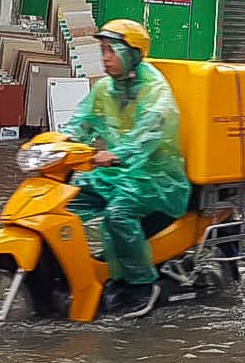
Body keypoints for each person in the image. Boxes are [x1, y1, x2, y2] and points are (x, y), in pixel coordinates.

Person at [62, 19, 192, 318]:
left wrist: (114, 154)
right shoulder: (106, 88)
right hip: (117, 174)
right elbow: (81, 121)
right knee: (65, 202)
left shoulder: (156, 92)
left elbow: (145, 136)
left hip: (156, 179)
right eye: (103, 50)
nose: (105, 57)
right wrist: (60, 143)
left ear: (132, 53)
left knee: (117, 214)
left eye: (111, 50)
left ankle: (142, 285)